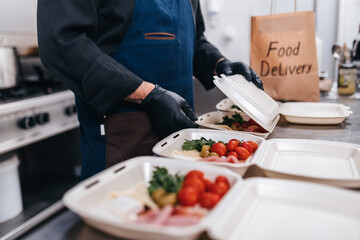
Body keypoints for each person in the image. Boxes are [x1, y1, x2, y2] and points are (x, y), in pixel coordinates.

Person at [37, 0, 263, 179]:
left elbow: (194, 39)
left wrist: (219, 64)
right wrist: (149, 95)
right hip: (121, 137)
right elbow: (62, 42)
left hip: (183, 132)